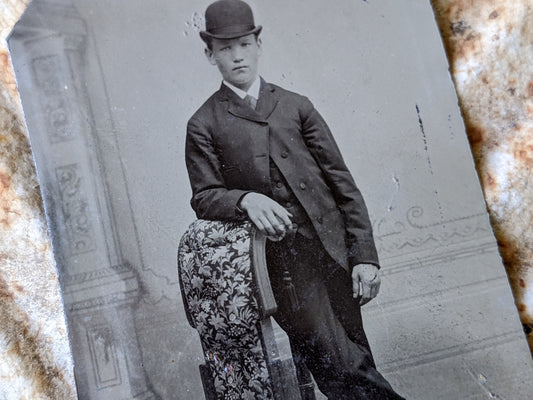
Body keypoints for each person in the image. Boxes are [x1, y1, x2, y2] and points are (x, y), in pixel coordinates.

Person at [185, 0, 405, 398]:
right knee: (343, 365)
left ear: (258, 44)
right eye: (225, 48)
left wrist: (365, 257)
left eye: (244, 45)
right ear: (209, 54)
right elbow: (204, 197)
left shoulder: (296, 105)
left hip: (335, 253)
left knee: (355, 360)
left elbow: (343, 185)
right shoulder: (204, 123)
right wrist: (245, 199)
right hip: (281, 268)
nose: (237, 56)